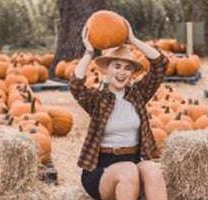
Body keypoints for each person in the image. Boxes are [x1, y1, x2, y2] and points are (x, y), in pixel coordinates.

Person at [69, 18, 168, 200]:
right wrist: (89, 52)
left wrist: (133, 40)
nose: (122, 72)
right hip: (101, 169)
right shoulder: (98, 100)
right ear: (107, 69)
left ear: (131, 73)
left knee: (152, 169)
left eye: (127, 68)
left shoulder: (138, 94)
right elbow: (76, 86)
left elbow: (161, 65)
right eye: (117, 66)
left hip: (133, 160)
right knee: (128, 171)